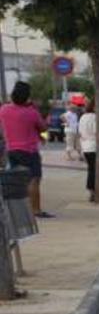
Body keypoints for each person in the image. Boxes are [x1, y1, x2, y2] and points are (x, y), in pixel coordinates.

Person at [0, 82, 52, 218]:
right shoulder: (31, 112)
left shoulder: (3, 110)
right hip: (29, 151)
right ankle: (36, 210)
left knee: (18, 180)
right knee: (34, 179)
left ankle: (19, 210)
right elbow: (43, 128)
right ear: (27, 96)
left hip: (11, 149)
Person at [78, 100, 98, 202]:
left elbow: (80, 133)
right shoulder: (94, 118)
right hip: (94, 146)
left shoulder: (82, 117)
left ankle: (91, 191)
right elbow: (96, 132)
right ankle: (93, 191)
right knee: (94, 170)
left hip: (85, 146)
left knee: (91, 169)